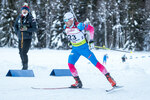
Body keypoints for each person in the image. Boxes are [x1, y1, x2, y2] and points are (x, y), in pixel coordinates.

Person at [63, 12, 117, 88]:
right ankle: (78, 82)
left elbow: (91, 28)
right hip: (75, 50)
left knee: (96, 63)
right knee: (70, 64)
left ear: (71, 19)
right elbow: (71, 35)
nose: (65, 22)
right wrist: (70, 42)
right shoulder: (65, 27)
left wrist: (91, 40)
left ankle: (111, 80)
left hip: (84, 49)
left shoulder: (79, 25)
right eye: (64, 20)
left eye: (66, 20)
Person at [14, 3, 37, 70]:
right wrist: (17, 32)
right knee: (20, 52)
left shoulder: (31, 18)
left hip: (27, 38)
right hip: (20, 38)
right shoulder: (19, 17)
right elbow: (15, 26)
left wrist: (26, 29)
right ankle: (23, 63)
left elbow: (35, 28)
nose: (24, 11)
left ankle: (25, 67)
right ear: (21, 11)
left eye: (26, 10)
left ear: (28, 11)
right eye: (23, 10)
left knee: (24, 52)